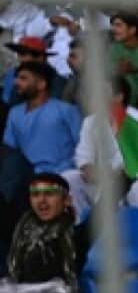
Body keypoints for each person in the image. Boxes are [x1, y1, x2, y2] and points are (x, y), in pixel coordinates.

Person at [62, 77, 138, 243]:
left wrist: (118, 174)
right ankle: (82, 238)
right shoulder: (91, 121)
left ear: (119, 97)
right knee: (69, 178)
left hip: (136, 175)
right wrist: (91, 170)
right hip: (102, 177)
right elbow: (83, 157)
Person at [1, 61, 81, 206]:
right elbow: (10, 149)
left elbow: (82, 145)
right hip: (28, 178)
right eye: (17, 78)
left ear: (41, 84)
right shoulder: (14, 113)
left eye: (23, 78)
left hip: (65, 176)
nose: (16, 82)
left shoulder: (65, 110)